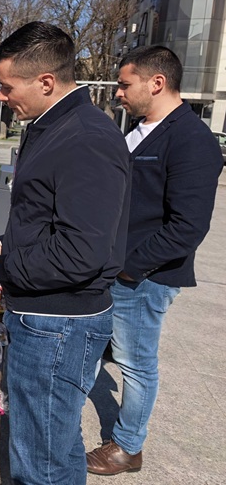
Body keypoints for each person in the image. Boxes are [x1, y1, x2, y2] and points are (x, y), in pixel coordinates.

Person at [0, 22, 131, 484]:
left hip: (58, 326)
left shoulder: (85, 137)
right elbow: (53, 221)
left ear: (46, 82)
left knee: (44, 461)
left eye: (7, 86)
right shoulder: (51, 126)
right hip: (44, 317)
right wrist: (5, 245)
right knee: (43, 442)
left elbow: (80, 251)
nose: (1, 96)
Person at [86, 46, 223, 475]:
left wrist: (130, 268)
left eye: (125, 85)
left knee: (136, 362)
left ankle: (127, 446)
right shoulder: (141, 128)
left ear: (156, 83)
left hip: (144, 278)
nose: (118, 94)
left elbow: (188, 226)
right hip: (114, 271)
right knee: (102, 350)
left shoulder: (192, 140)